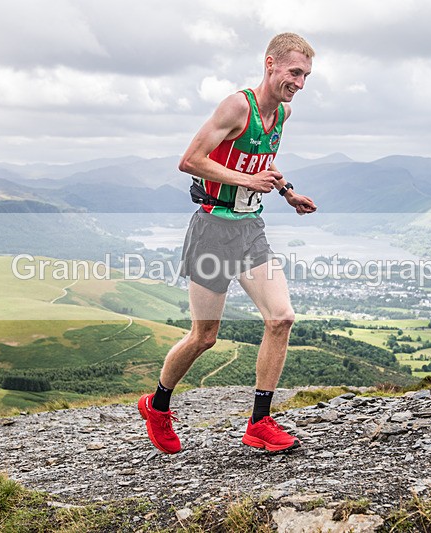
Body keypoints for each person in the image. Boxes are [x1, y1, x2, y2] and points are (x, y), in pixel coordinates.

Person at [138, 33, 317, 454]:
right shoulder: (238, 105)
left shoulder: (283, 114)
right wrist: (246, 181)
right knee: (204, 336)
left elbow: (260, 159)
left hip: (249, 228)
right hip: (212, 229)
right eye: (294, 72)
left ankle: (259, 422)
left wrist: (287, 190)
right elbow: (190, 160)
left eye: (307, 75)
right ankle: (158, 405)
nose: (300, 83)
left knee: (281, 317)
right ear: (270, 63)